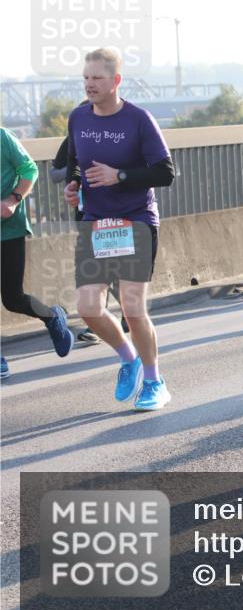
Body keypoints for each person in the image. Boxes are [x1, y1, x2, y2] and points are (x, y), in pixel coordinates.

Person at [63, 48, 176, 410]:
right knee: (88, 308)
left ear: (115, 81)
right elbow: (74, 163)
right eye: (85, 78)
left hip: (135, 220)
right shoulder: (78, 117)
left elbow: (165, 172)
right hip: (96, 223)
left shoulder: (138, 119)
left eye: (96, 77)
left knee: (132, 308)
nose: (89, 84)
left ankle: (155, 381)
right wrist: (73, 186)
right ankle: (128, 358)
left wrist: (120, 176)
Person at [1, 127, 74, 379]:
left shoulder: (2, 137)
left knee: (12, 299)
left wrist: (12, 199)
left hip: (8, 229)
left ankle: (53, 316)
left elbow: (29, 169)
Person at [51, 124, 129, 344]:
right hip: (86, 215)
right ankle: (97, 324)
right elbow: (54, 173)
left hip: (117, 211)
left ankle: (127, 313)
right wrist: (76, 173)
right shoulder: (75, 137)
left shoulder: (119, 134)